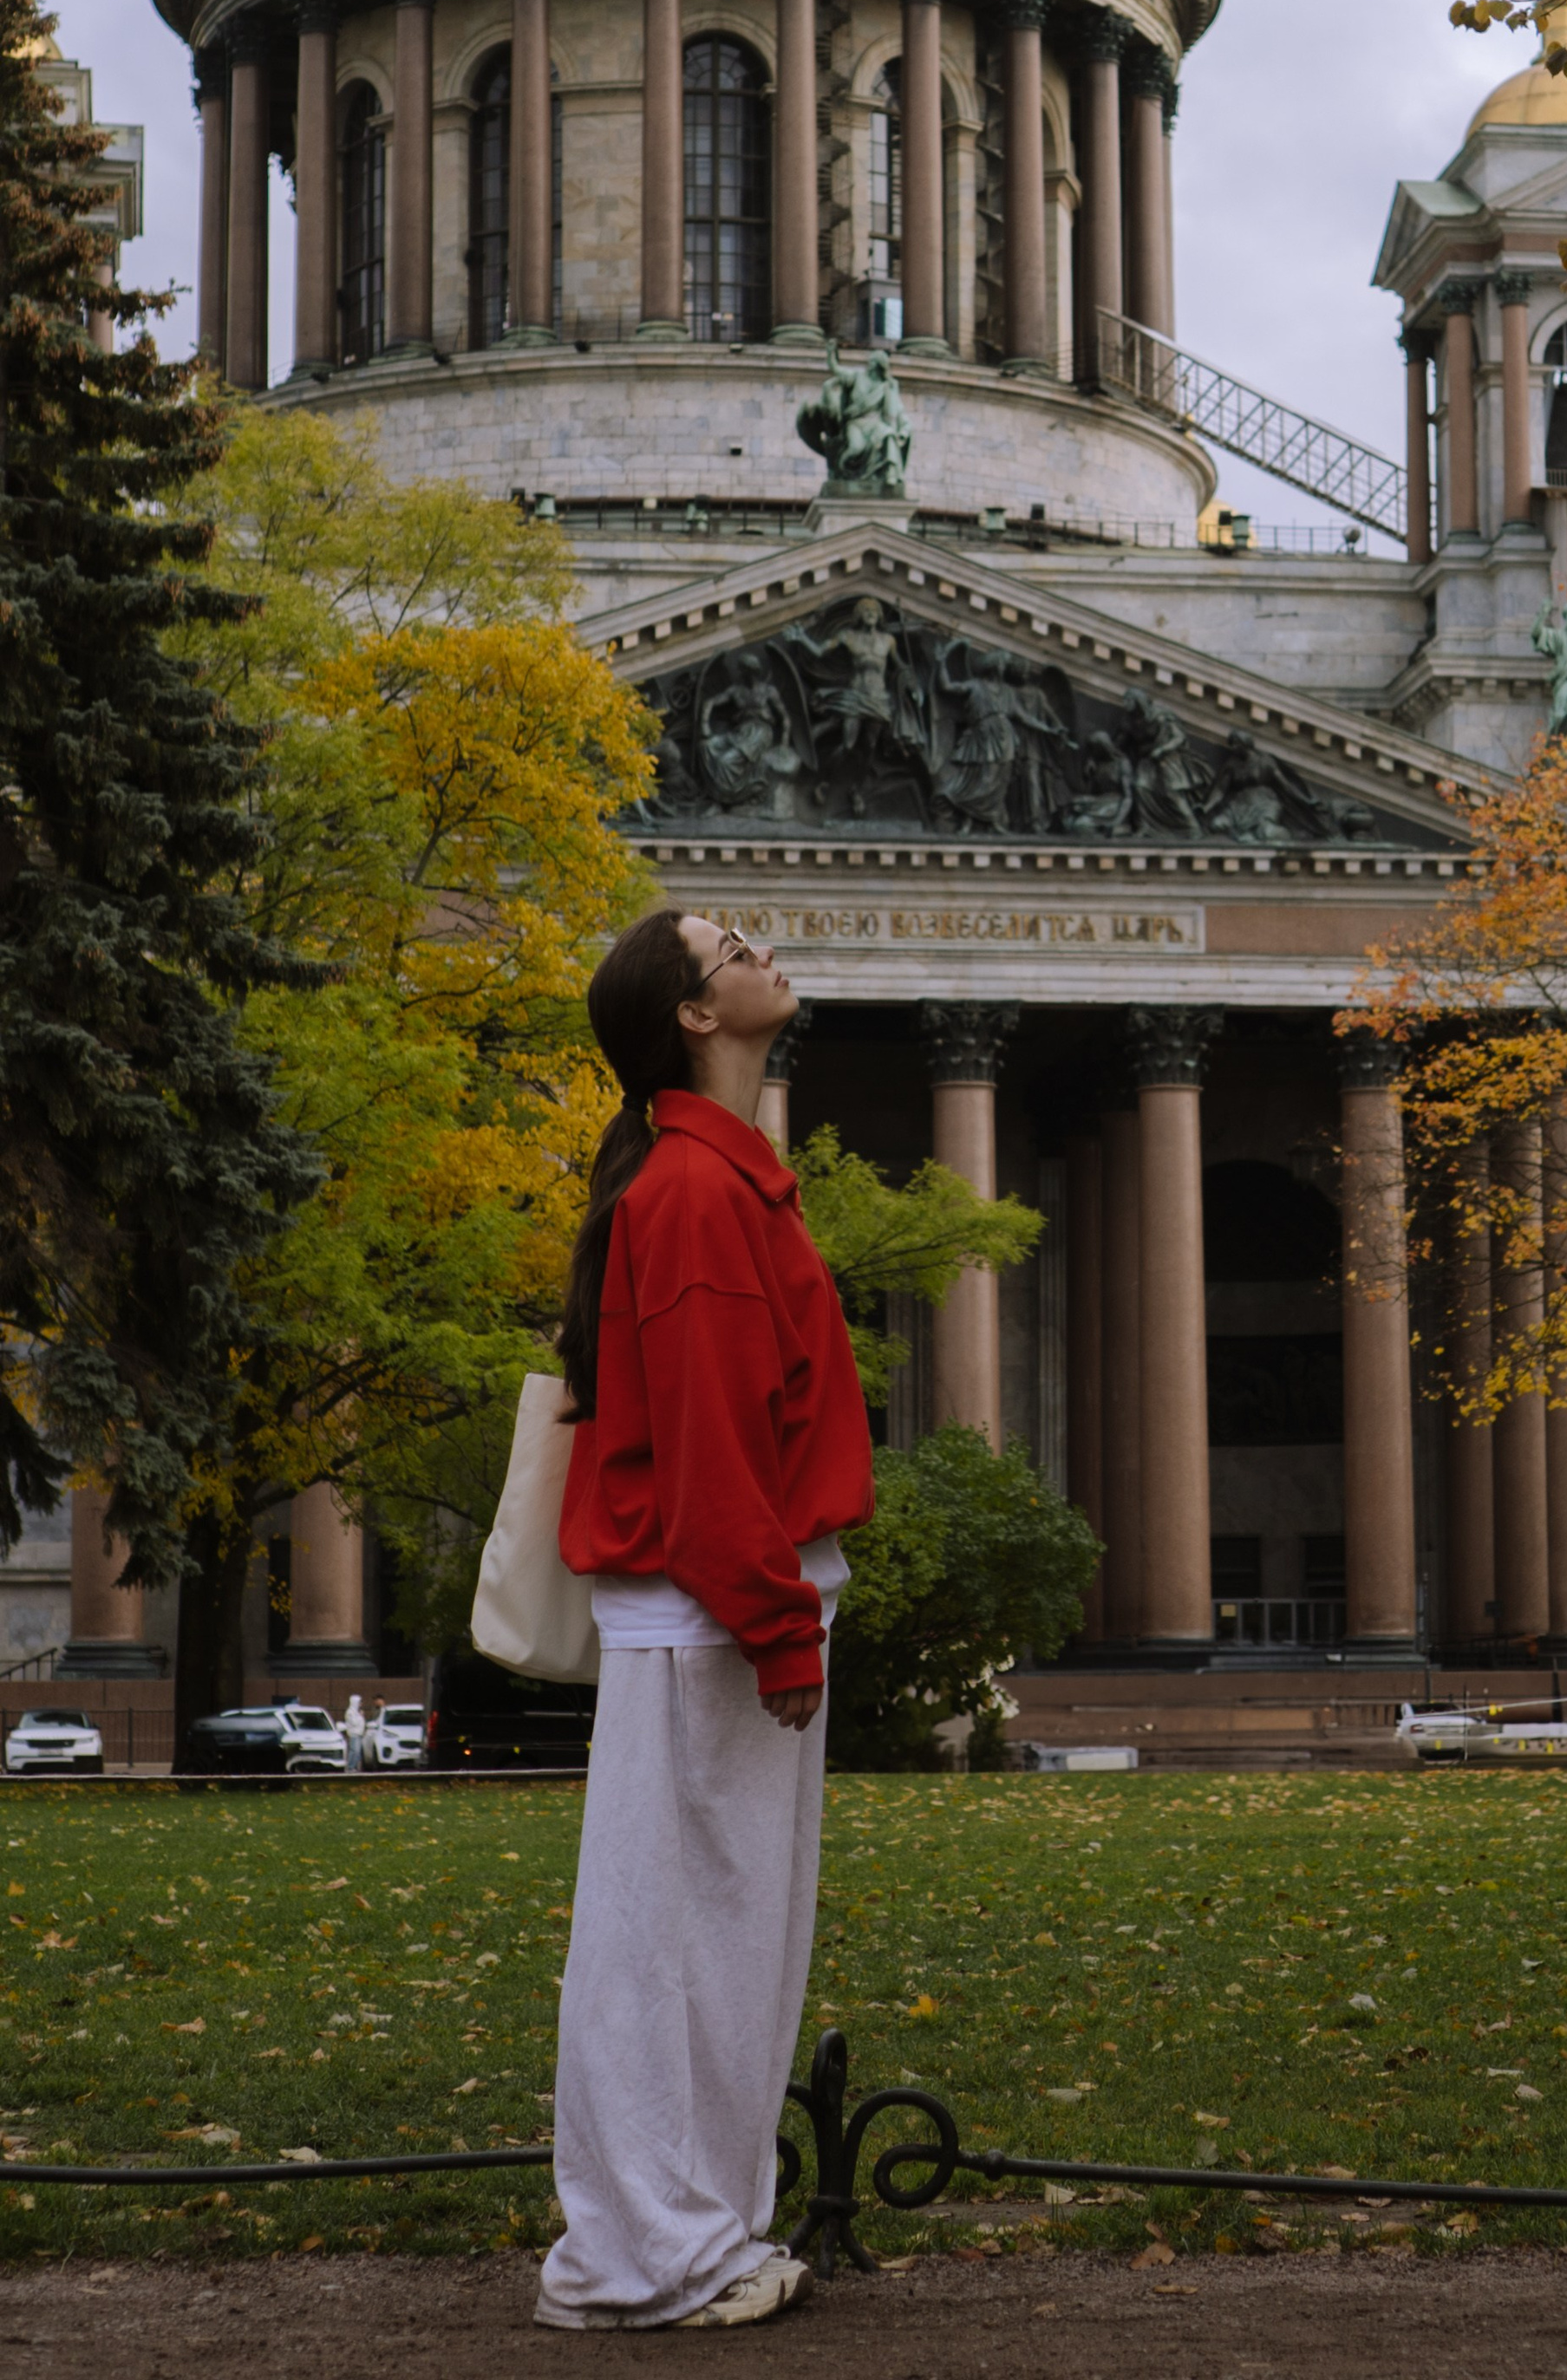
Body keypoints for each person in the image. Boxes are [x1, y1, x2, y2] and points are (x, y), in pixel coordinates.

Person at [534, 909, 873, 2334]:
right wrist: (778, 1625)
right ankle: (642, 2260)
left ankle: (695, 2238)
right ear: (691, 1012)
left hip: (721, 1615)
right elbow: (711, 1449)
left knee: (721, 1945)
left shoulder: (716, 1181)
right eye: (733, 946)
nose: (763, 953)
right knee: (669, 1947)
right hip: (715, 1621)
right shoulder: (693, 1192)